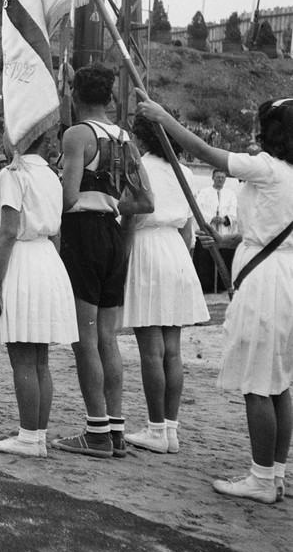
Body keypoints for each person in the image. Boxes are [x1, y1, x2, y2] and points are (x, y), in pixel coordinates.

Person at [137, 94, 293, 504]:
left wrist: (163, 117)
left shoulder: (265, 167)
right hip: (282, 272)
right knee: (278, 381)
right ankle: (275, 472)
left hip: (265, 280)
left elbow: (206, 152)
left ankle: (261, 477)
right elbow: (269, 227)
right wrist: (223, 241)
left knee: (259, 381)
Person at [53, 62, 154, 458]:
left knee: (85, 338)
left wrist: (52, 180)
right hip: (113, 233)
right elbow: (146, 201)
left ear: (74, 96)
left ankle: (96, 432)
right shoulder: (125, 138)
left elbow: (68, 198)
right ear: (111, 98)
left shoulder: (78, 135)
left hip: (85, 235)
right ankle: (115, 430)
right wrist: (112, 202)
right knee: (107, 337)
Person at [0, 127, 78, 457]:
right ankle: (35, 433)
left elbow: (8, 232)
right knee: (40, 360)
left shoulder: (14, 173)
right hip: (47, 259)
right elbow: (60, 232)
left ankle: (29, 437)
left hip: (22, 260)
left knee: (22, 356)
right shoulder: (51, 175)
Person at [120, 115, 210, 455]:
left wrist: (123, 257)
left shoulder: (137, 168)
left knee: (151, 350)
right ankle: (169, 428)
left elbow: (131, 218)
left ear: (142, 140)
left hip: (148, 248)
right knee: (172, 349)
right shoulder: (182, 171)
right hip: (176, 251)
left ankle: (157, 428)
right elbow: (188, 227)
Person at [193, 168, 240, 293]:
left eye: (223, 177)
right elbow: (198, 209)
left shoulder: (230, 194)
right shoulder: (204, 192)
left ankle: (222, 286)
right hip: (209, 229)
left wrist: (225, 219)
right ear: (213, 178)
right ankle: (206, 286)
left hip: (223, 232)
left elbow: (234, 211)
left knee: (224, 258)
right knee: (205, 260)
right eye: (218, 177)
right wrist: (211, 219)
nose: (220, 180)